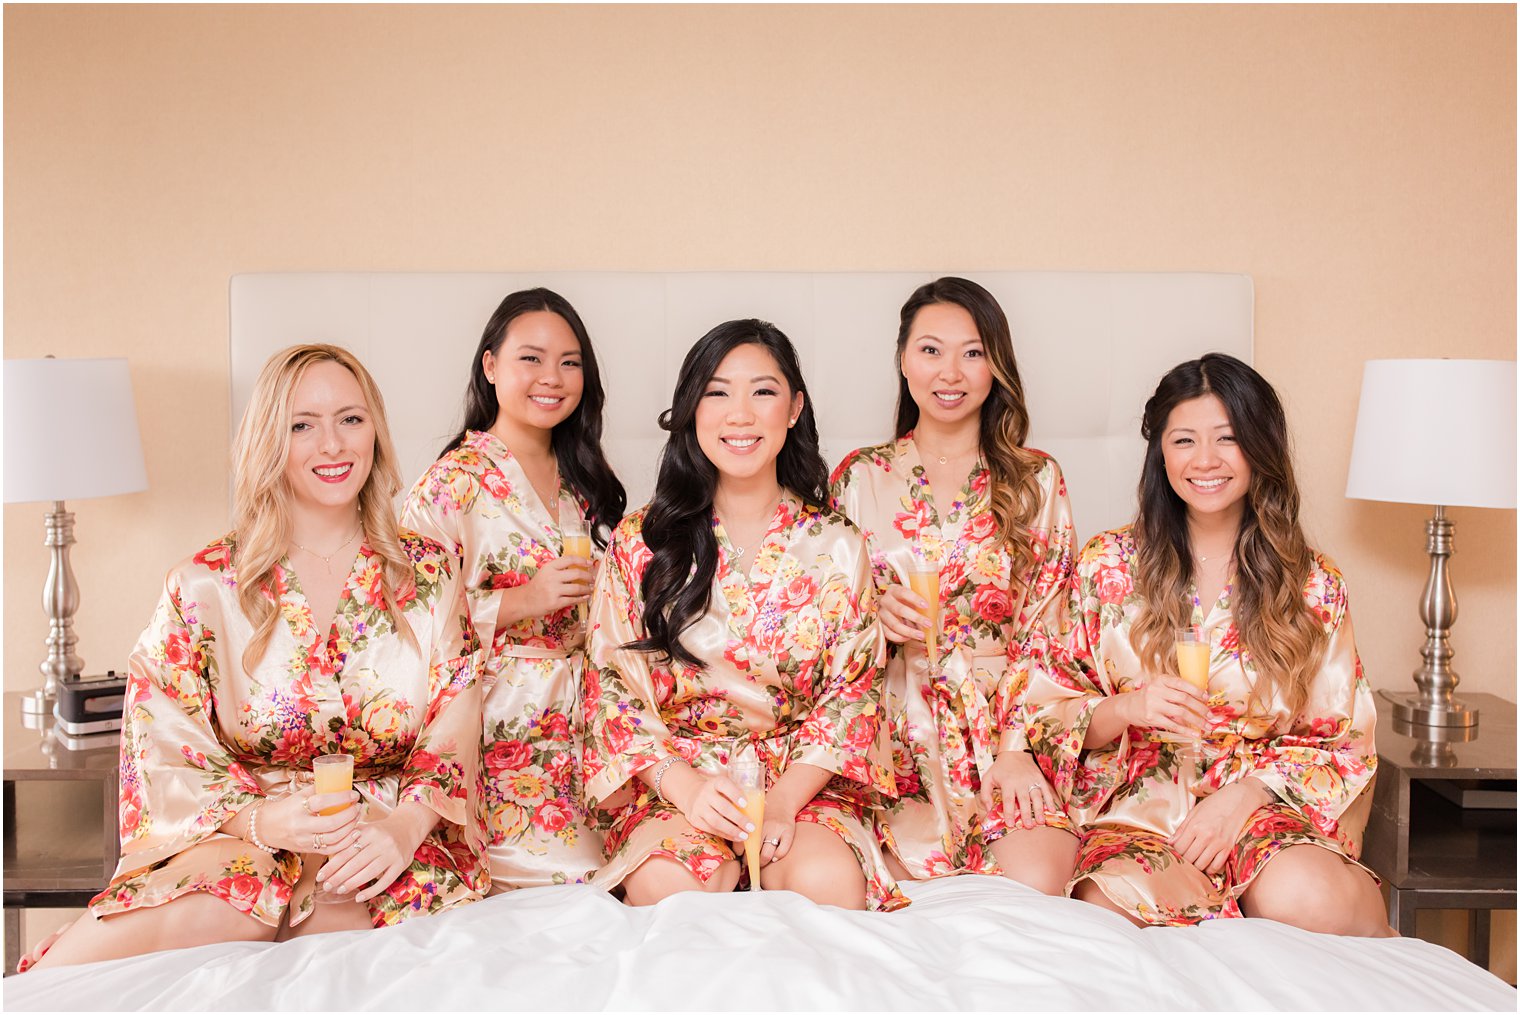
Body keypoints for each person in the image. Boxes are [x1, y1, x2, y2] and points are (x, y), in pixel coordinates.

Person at [22, 344, 488, 971]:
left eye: (350, 419)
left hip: (379, 840)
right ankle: (37, 986)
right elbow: (160, 745)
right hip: (244, 837)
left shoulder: (430, 573)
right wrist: (263, 821)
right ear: (270, 439)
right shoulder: (205, 584)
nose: (333, 445)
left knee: (350, 927)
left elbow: (456, 721)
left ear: (375, 429)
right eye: (303, 424)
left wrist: (403, 831)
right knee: (237, 900)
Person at [1024, 353, 1390, 934]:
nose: (1205, 461)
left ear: (1260, 448)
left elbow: (1342, 740)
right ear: (1160, 452)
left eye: (1228, 439)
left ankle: (1283, 905)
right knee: (1111, 914)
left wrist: (1246, 795)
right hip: (1140, 813)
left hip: (1261, 805)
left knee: (1312, 900)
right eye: (1184, 440)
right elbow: (1041, 710)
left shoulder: (1312, 583)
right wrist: (1129, 708)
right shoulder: (1107, 567)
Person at [582, 319, 904, 911]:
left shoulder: (838, 543)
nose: (740, 414)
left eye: (762, 391)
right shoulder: (641, 541)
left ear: (793, 408)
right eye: (717, 392)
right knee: (675, 892)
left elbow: (852, 696)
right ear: (691, 409)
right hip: (680, 781)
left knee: (827, 887)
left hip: (801, 784)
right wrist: (688, 788)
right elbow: (611, 692)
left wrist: (781, 801)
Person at [829, 277, 1079, 892]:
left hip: (1004, 724)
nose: (951, 372)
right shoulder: (861, 477)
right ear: (903, 361)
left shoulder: (1034, 480)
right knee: (872, 889)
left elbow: (1051, 627)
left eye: (972, 352)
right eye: (931, 350)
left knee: (1035, 884)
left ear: (997, 365)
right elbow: (824, 626)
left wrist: (1019, 748)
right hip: (887, 724)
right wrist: (874, 623)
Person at [403, 288, 625, 890]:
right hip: (498, 724)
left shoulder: (589, 480)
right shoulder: (450, 485)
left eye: (570, 362)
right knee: (549, 890)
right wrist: (522, 600)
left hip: (592, 715)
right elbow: (403, 625)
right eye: (531, 358)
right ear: (491, 365)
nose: (552, 377)